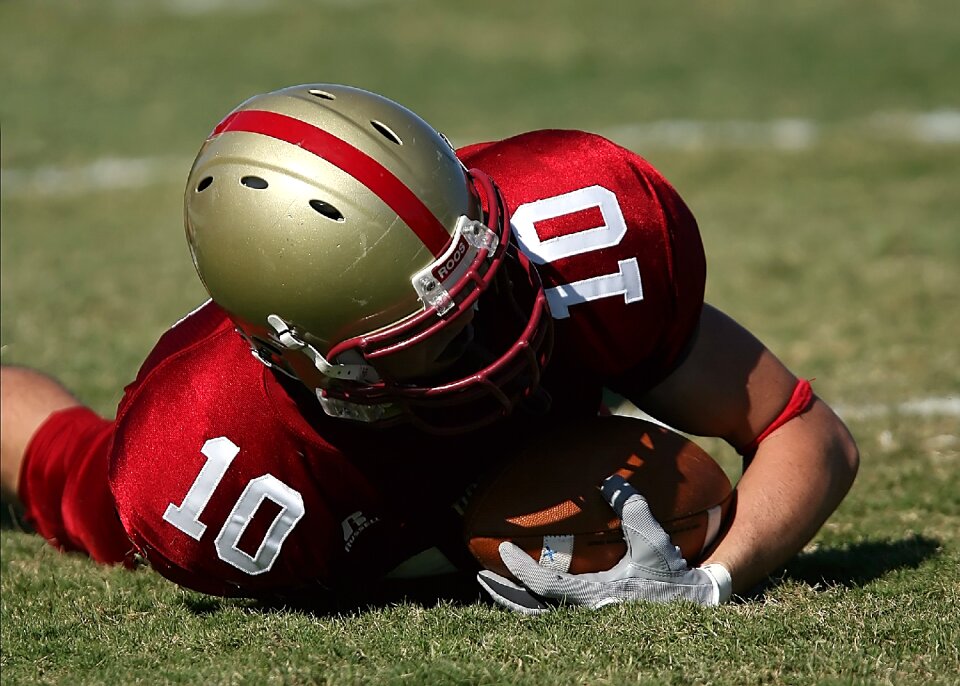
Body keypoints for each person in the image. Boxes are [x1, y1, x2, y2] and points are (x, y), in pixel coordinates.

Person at [0, 84, 859, 611]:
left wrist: (710, 585)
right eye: (428, 338)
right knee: (74, 474)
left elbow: (805, 431)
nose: (490, 339)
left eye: (481, 286)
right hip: (318, 461)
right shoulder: (211, 470)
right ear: (307, 361)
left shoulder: (572, 233)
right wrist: (465, 541)